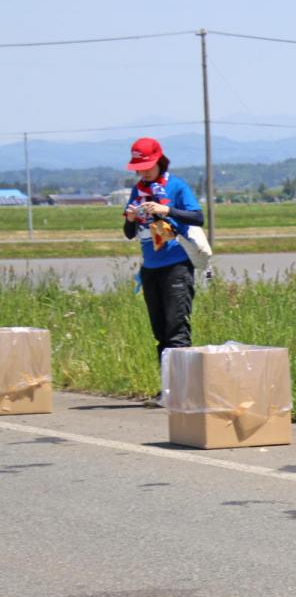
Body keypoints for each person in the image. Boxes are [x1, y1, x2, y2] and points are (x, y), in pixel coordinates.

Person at [121, 137, 204, 405]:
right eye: (139, 167)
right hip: (150, 268)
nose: (143, 172)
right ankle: (168, 389)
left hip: (176, 265)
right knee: (160, 332)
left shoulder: (177, 186)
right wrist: (132, 219)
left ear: (159, 161)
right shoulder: (138, 191)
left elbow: (198, 217)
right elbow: (129, 233)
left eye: (147, 166)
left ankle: (184, 392)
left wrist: (165, 209)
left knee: (176, 330)